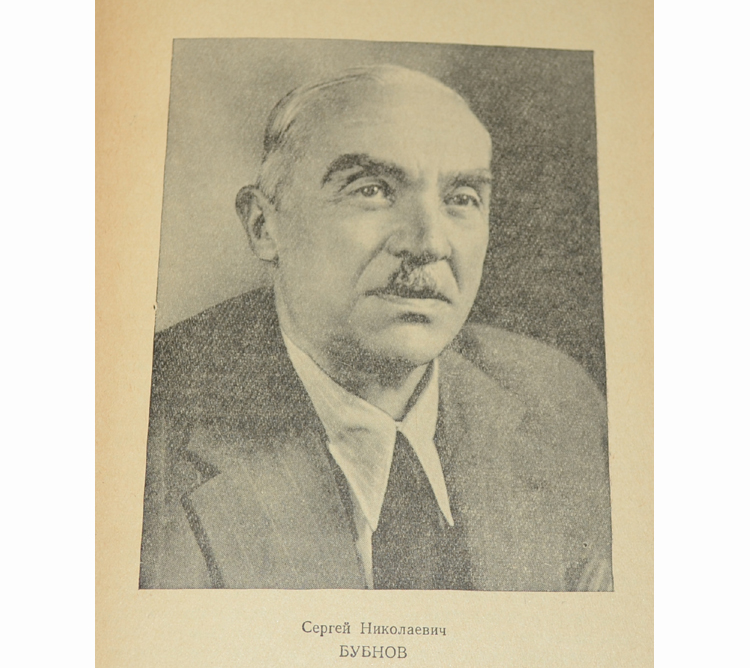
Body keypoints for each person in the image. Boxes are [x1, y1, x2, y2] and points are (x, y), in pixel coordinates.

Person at [139, 64, 613, 591]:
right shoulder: (144, 428)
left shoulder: (558, 402)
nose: (428, 243)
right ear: (264, 227)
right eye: (372, 190)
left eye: (461, 198)